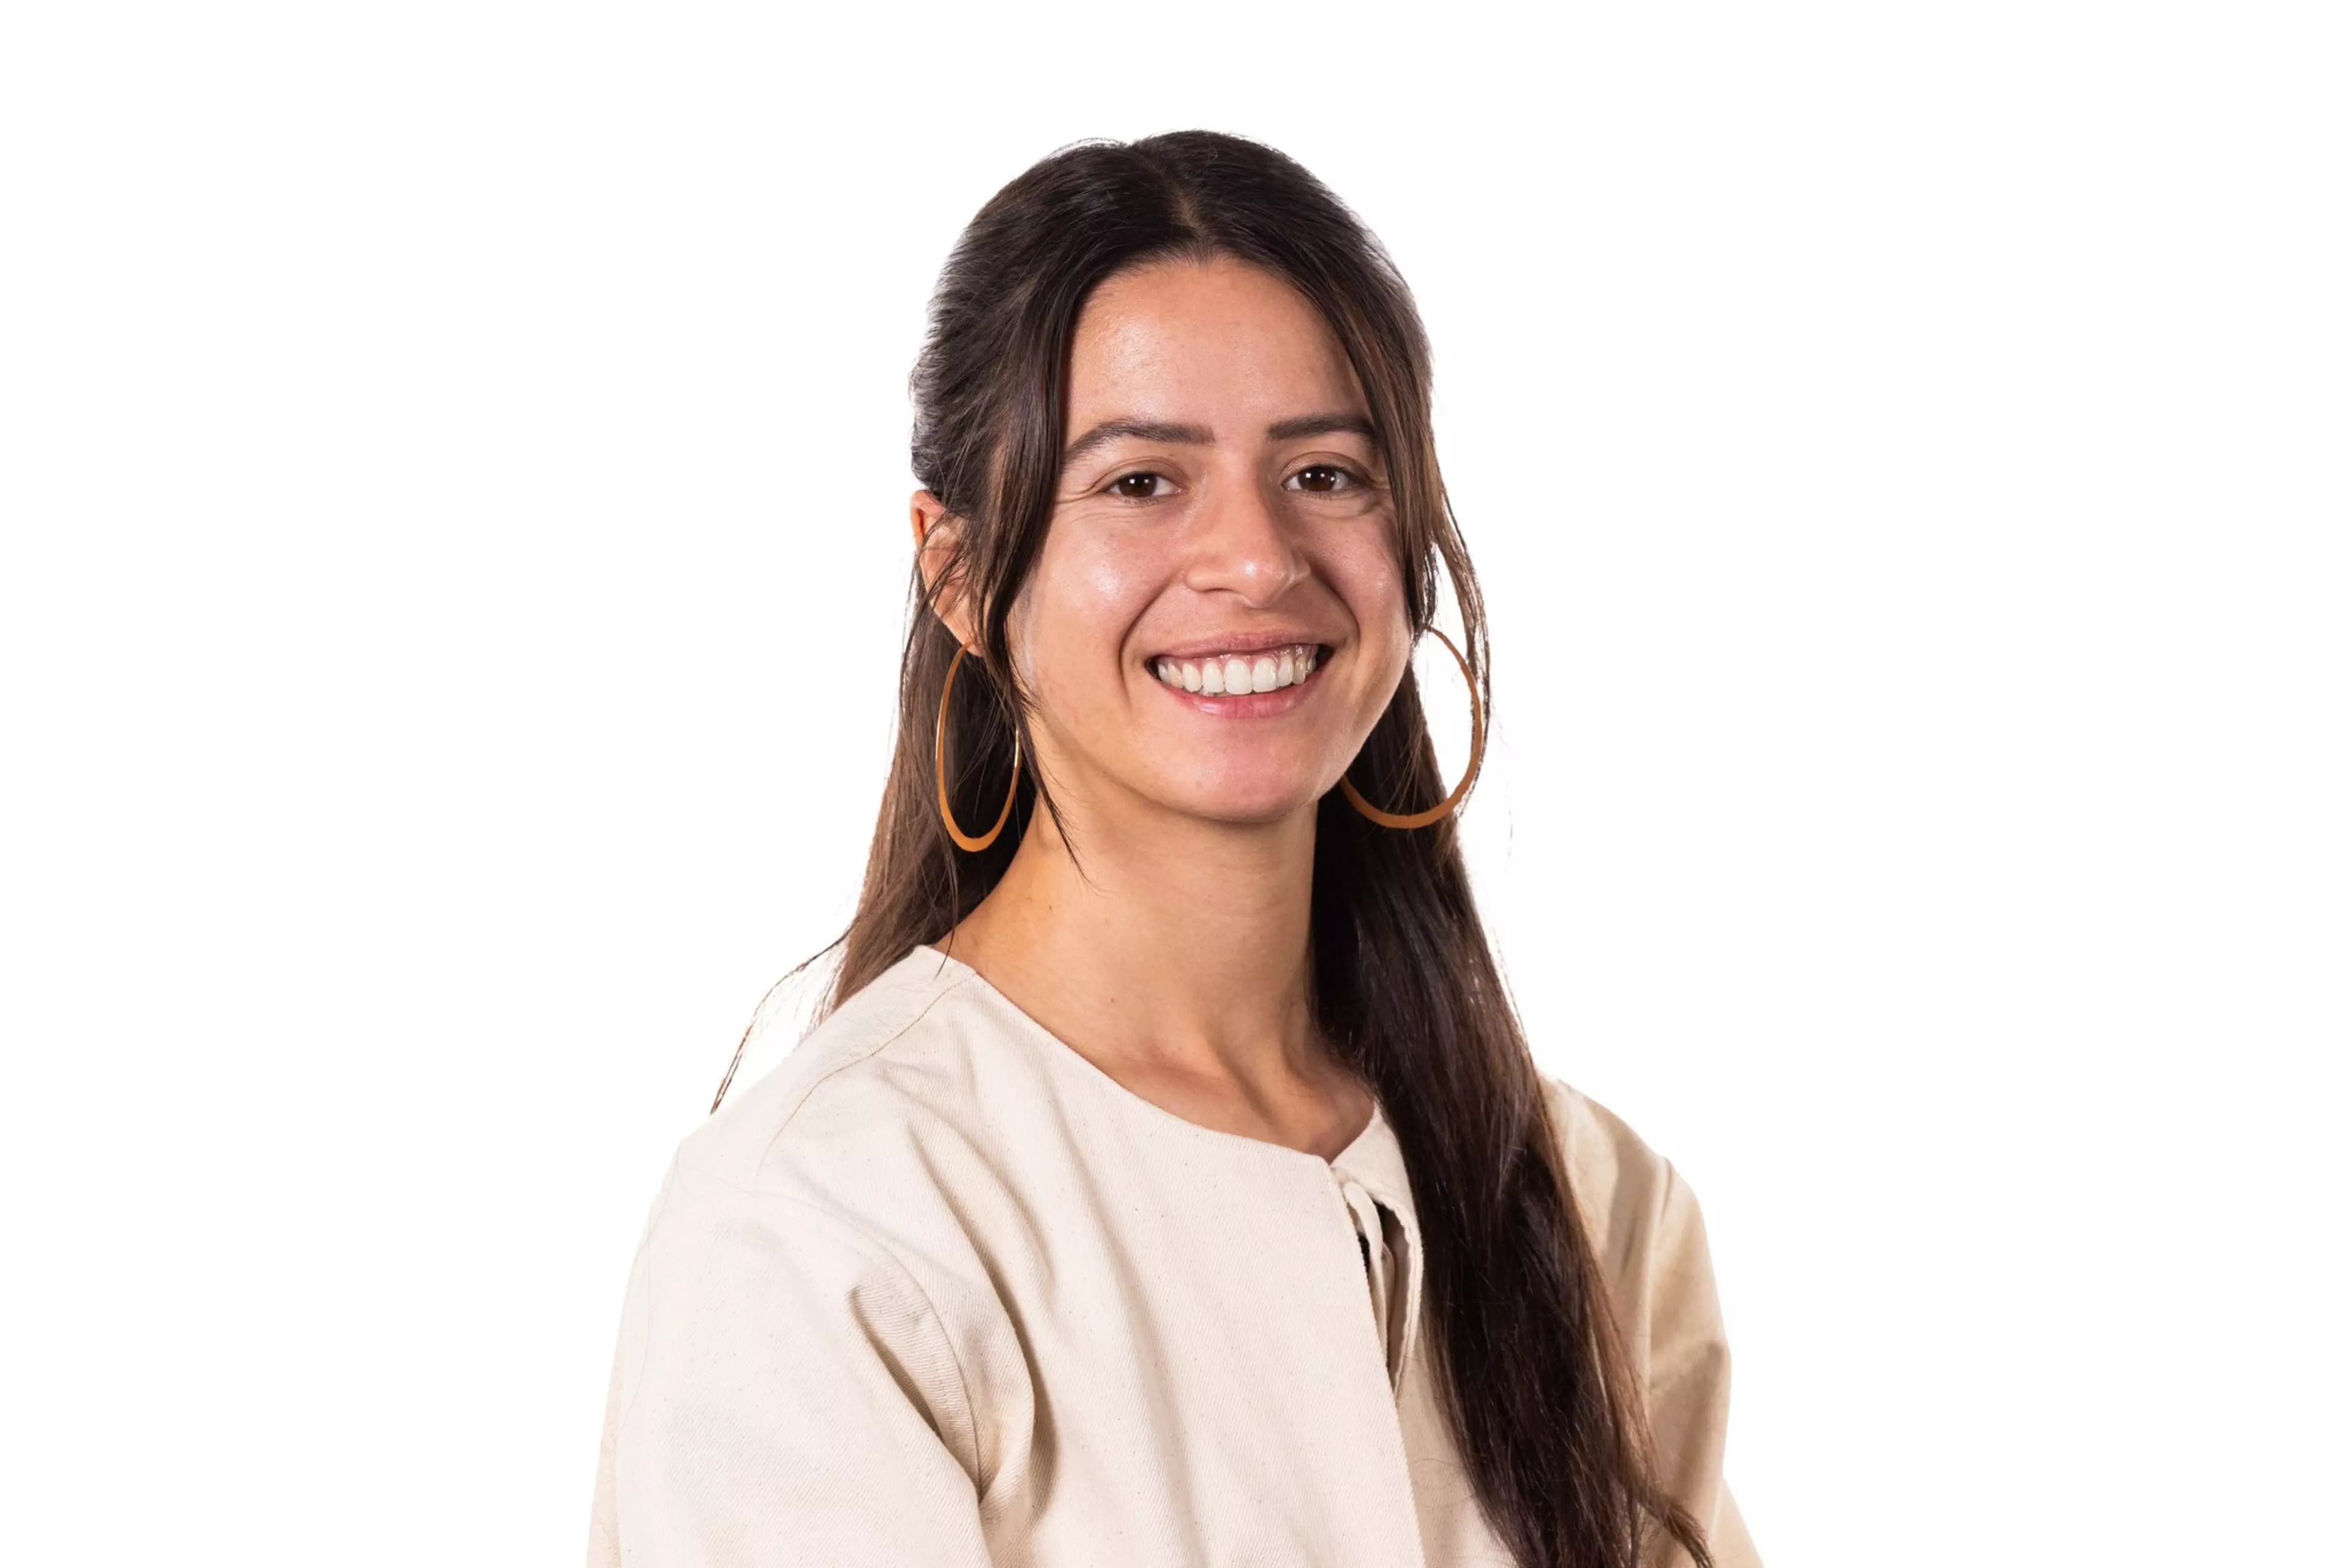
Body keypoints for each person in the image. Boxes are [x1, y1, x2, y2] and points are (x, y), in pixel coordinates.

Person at [585, 130, 1760, 1568]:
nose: (1257, 560)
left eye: (1328, 473)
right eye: (1143, 483)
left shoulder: (1589, 1207)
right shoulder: (826, 1226)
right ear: (956, 572)